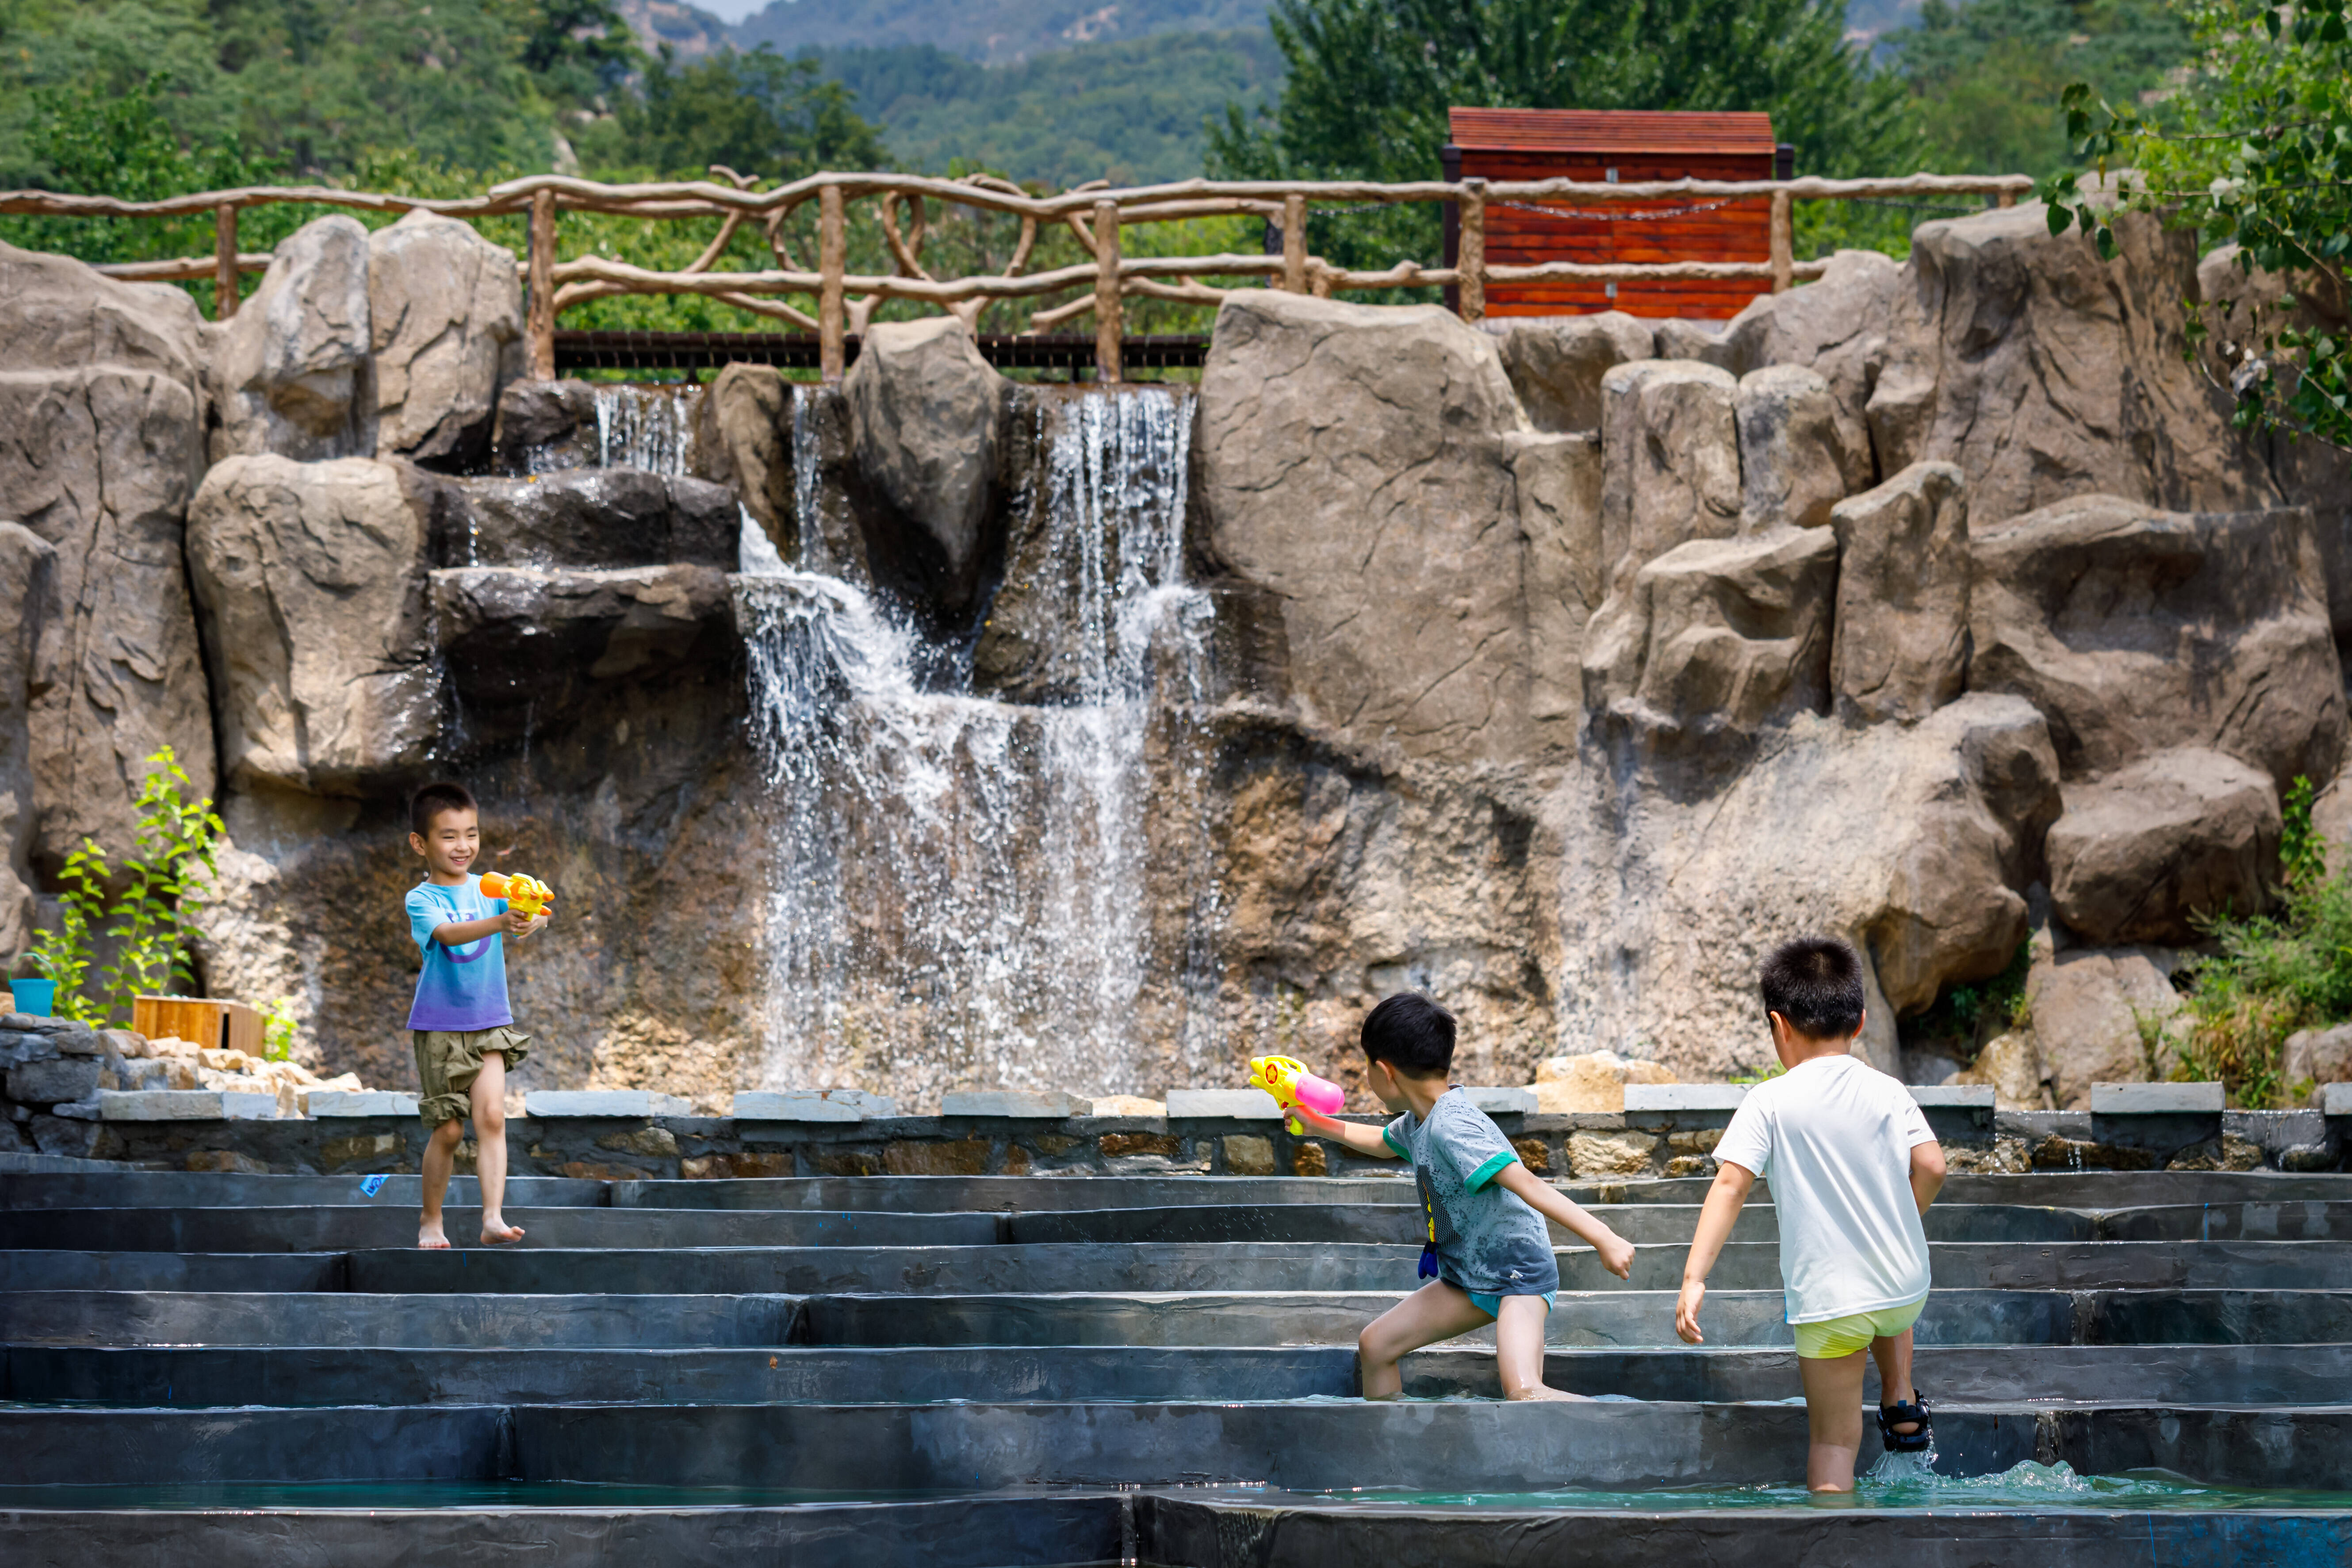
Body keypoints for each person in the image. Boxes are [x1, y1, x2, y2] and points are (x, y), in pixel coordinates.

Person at [1674, 935, 1946, 1491]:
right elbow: (1933, 1166)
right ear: (1860, 1021)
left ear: (1779, 1024)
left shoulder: (1768, 1100)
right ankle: (1898, 1390)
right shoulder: (1888, 1089)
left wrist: (1693, 1277)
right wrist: (1904, 1216)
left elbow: (1730, 1183)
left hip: (1829, 1305)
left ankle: (1836, 1529)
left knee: (1831, 1441)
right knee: (1884, 1284)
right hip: (1903, 1289)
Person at [1295, 992, 1638, 1400]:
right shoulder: (1421, 1120)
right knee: (1376, 1346)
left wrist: (1605, 1238)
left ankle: (1637, 1425)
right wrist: (1317, 1123)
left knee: (1526, 1393)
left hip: (1517, 1276)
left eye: (1366, 1063)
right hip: (1467, 1275)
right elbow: (1383, 1142)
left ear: (1384, 1071)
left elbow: (1527, 1183)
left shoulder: (1452, 1127)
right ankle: (1395, 1449)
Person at [403, 781, 547, 1250]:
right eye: (448, 835)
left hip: (490, 1021)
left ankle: (492, 1218)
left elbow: (538, 915)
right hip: (440, 1026)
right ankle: (431, 1218)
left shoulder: (493, 886)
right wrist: (501, 922)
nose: (463, 845)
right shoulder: (421, 899)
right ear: (420, 843)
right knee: (448, 1128)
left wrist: (530, 913)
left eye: (471, 833)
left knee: (491, 1116)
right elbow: (449, 934)